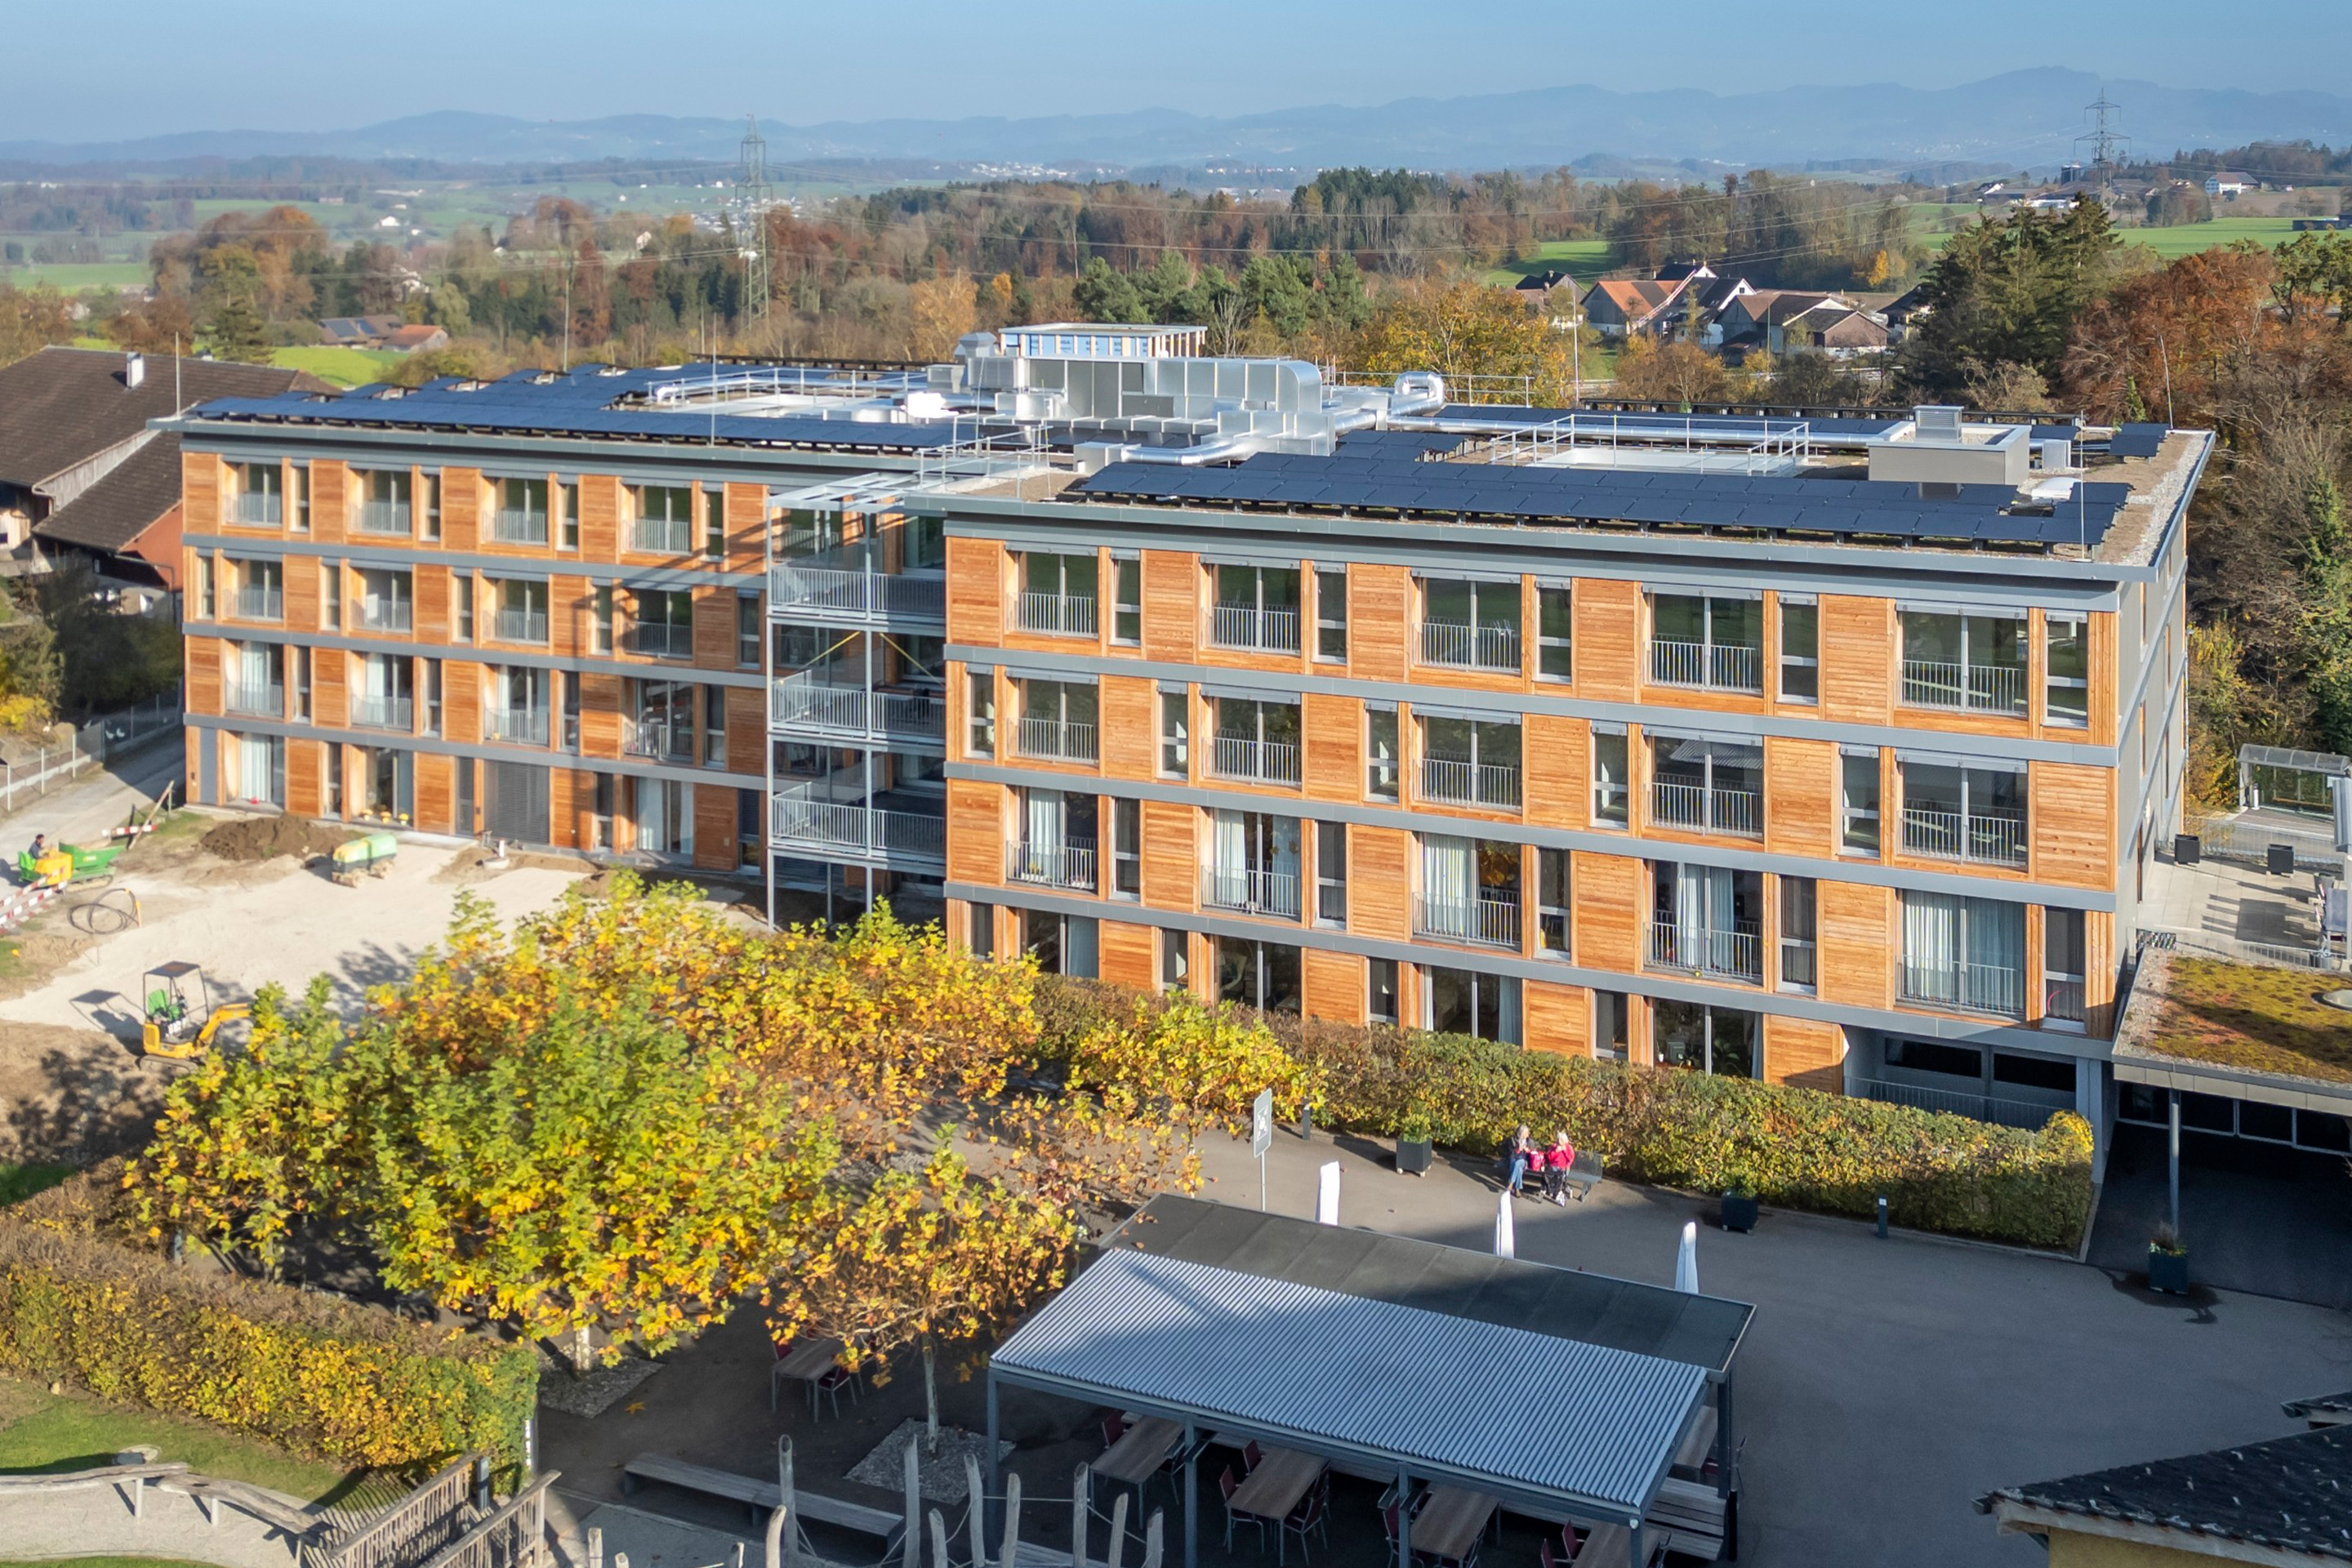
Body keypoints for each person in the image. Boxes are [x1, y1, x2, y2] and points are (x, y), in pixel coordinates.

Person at [1543, 1129, 1579, 1204]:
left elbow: (1570, 1159)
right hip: (1554, 1166)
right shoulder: (1554, 1146)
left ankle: (1558, 1191)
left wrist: (1565, 1151)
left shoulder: (1569, 1148)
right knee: (1550, 1175)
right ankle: (1554, 1190)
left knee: (1560, 1177)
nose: (1559, 1141)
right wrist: (1555, 1152)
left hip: (1564, 1167)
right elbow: (1550, 1158)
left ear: (1565, 1140)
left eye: (1561, 1140)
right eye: (1558, 1139)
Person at [1503, 1125, 1535, 1198]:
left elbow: (1533, 1153)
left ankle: (1511, 1183)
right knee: (1519, 1169)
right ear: (1522, 1133)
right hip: (1513, 1159)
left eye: (1527, 1133)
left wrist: (1528, 1151)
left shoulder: (1529, 1141)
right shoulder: (1513, 1140)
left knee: (1519, 1163)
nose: (1528, 1134)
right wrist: (1518, 1150)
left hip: (1523, 1161)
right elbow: (1510, 1152)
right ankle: (1517, 1189)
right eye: (1526, 1133)